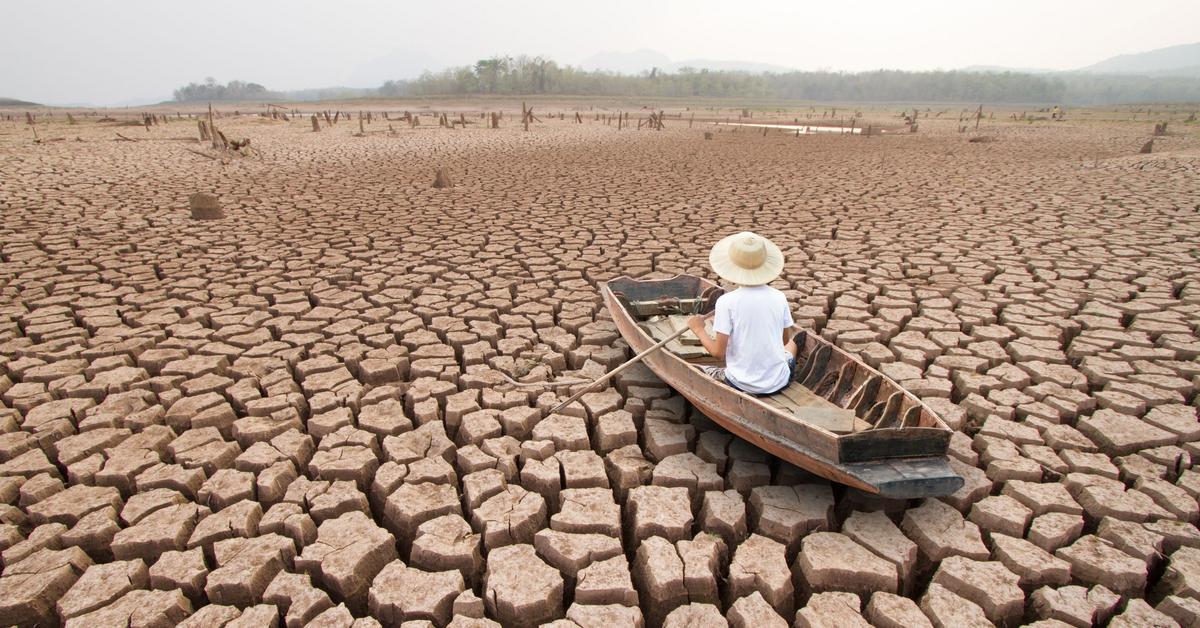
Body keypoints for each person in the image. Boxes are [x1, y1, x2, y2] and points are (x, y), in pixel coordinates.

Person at [687, 231, 799, 395]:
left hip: (740, 384)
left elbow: (718, 353)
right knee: (793, 345)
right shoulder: (779, 297)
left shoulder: (726, 302)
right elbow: (784, 341)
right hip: (779, 382)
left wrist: (698, 329)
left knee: (699, 368)